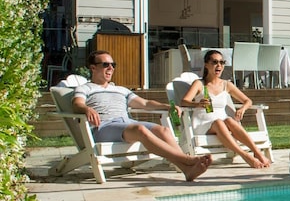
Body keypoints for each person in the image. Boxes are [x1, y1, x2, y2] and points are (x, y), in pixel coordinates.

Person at [72, 50, 211, 181]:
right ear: (93, 68)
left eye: (113, 65)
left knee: (163, 130)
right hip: (103, 126)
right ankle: (187, 160)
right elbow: (77, 104)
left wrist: (168, 106)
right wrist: (86, 109)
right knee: (140, 129)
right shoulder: (85, 88)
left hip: (125, 123)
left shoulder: (121, 90)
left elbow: (145, 103)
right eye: (105, 65)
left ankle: (186, 170)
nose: (111, 68)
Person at [180, 50, 271, 169]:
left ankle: (257, 152)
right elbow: (184, 102)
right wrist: (197, 104)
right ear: (206, 64)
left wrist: (242, 109)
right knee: (220, 122)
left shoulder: (226, 85)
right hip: (203, 124)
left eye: (222, 62)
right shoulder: (199, 84)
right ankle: (245, 156)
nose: (219, 66)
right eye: (215, 62)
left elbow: (248, 101)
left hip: (222, 123)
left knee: (229, 121)